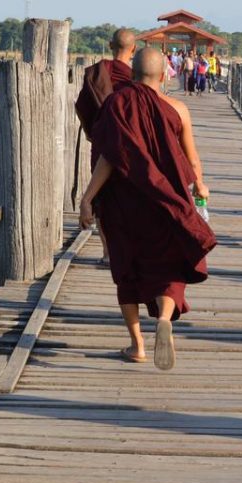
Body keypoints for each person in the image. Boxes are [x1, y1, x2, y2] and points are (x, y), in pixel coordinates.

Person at [79, 47, 216, 371]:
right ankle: (164, 318)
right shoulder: (177, 108)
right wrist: (200, 186)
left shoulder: (116, 104)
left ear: (132, 73)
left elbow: (109, 157)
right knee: (168, 265)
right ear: (165, 74)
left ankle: (137, 345)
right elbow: (192, 158)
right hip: (167, 201)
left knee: (127, 270)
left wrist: (87, 198)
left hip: (123, 203)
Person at [73, 28, 136, 265]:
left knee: (101, 196)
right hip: (128, 144)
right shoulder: (134, 77)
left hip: (101, 140)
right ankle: (125, 247)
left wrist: (93, 133)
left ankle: (108, 251)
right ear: (134, 49)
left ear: (110, 45)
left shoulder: (98, 72)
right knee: (124, 194)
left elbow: (82, 105)